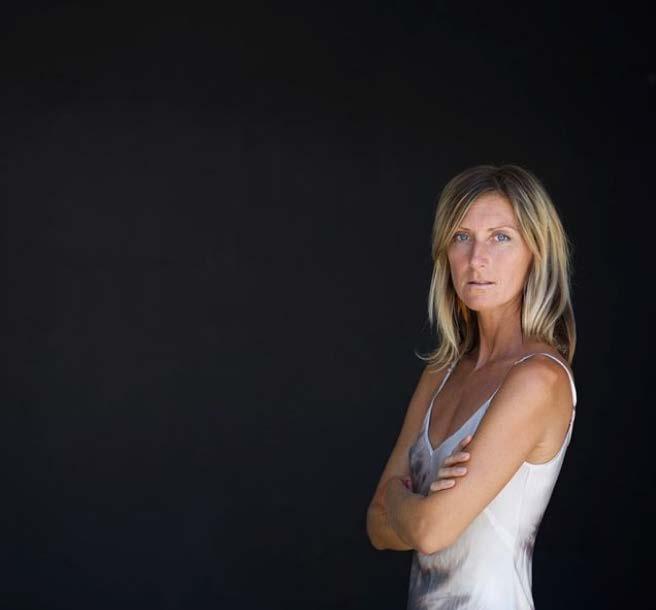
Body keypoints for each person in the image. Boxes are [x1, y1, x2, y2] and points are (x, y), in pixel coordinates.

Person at [365, 164, 578, 609]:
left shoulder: (539, 379)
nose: (477, 258)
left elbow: (429, 532)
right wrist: (415, 509)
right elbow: (376, 527)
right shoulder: (441, 373)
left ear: (536, 252)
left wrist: (399, 497)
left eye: (501, 237)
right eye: (462, 236)